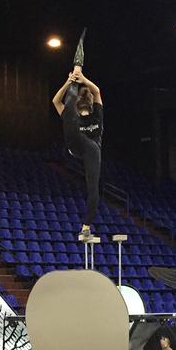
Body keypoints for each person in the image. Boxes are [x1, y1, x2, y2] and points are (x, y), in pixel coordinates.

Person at [51, 30, 103, 239]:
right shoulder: (72, 113)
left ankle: (86, 226)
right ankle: (76, 69)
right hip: (76, 143)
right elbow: (56, 101)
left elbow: (96, 92)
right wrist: (70, 81)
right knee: (69, 111)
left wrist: (81, 79)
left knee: (93, 188)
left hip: (89, 149)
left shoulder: (96, 113)